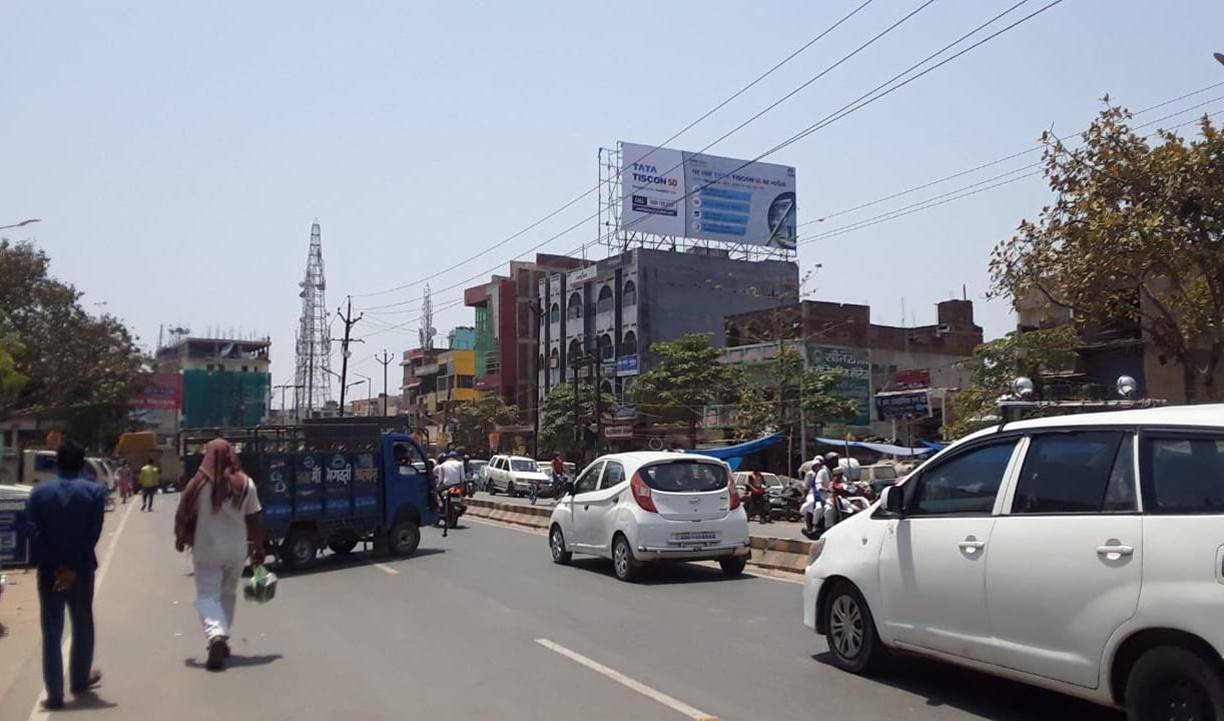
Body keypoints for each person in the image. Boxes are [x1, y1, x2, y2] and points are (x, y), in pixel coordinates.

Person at [173, 439, 265, 671]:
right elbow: (253, 518)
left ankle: (216, 635)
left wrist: (180, 537)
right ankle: (222, 638)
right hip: (236, 550)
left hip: (206, 550)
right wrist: (259, 547)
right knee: (228, 594)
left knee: (207, 596)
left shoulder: (197, 484)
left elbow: (184, 512)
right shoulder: (246, 484)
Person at [28, 440, 106, 710]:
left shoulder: (39, 494)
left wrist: (58, 567)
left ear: (57, 463)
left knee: (51, 630)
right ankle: (80, 680)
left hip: (50, 571)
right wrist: (71, 568)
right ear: (82, 464)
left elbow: (35, 536)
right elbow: (91, 535)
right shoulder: (95, 492)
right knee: (82, 623)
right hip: (82, 570)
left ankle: (55, 695)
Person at [435, 452, 465, 537]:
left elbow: (441, 480)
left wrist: (437, 487)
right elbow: (462, 478)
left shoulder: (442, 465)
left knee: (436, 494)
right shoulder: (460, 464)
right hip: (457, 486)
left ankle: (441, 506)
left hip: (446, 486)